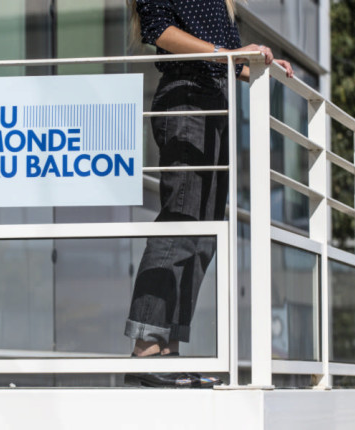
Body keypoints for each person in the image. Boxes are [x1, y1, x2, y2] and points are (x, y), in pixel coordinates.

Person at [123, 0, 293, 388]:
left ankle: (168, 351)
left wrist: (260, 66)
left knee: (202, 237)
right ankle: (146, 348)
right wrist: (227, 54)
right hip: (186, 96)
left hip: (216, 99)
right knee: (181, 222)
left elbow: (226, 54)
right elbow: (159, 31)